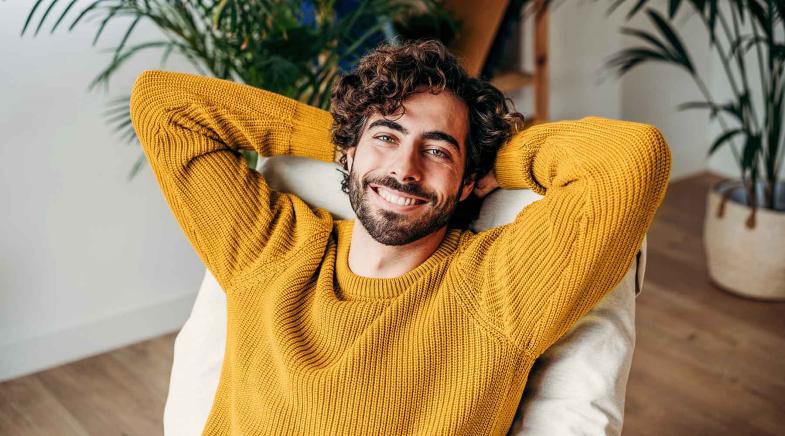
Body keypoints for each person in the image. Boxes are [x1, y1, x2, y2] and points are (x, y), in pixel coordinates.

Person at [130, 39, 671, 435]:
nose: (404, 169)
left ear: (467, 185)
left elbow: (632, 158)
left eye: (437, 150)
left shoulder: (500, 288)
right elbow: (162, 104)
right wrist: (347, 138)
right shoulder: (273, 247)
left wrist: (497, 159)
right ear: (348, 153)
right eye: (387, 136)